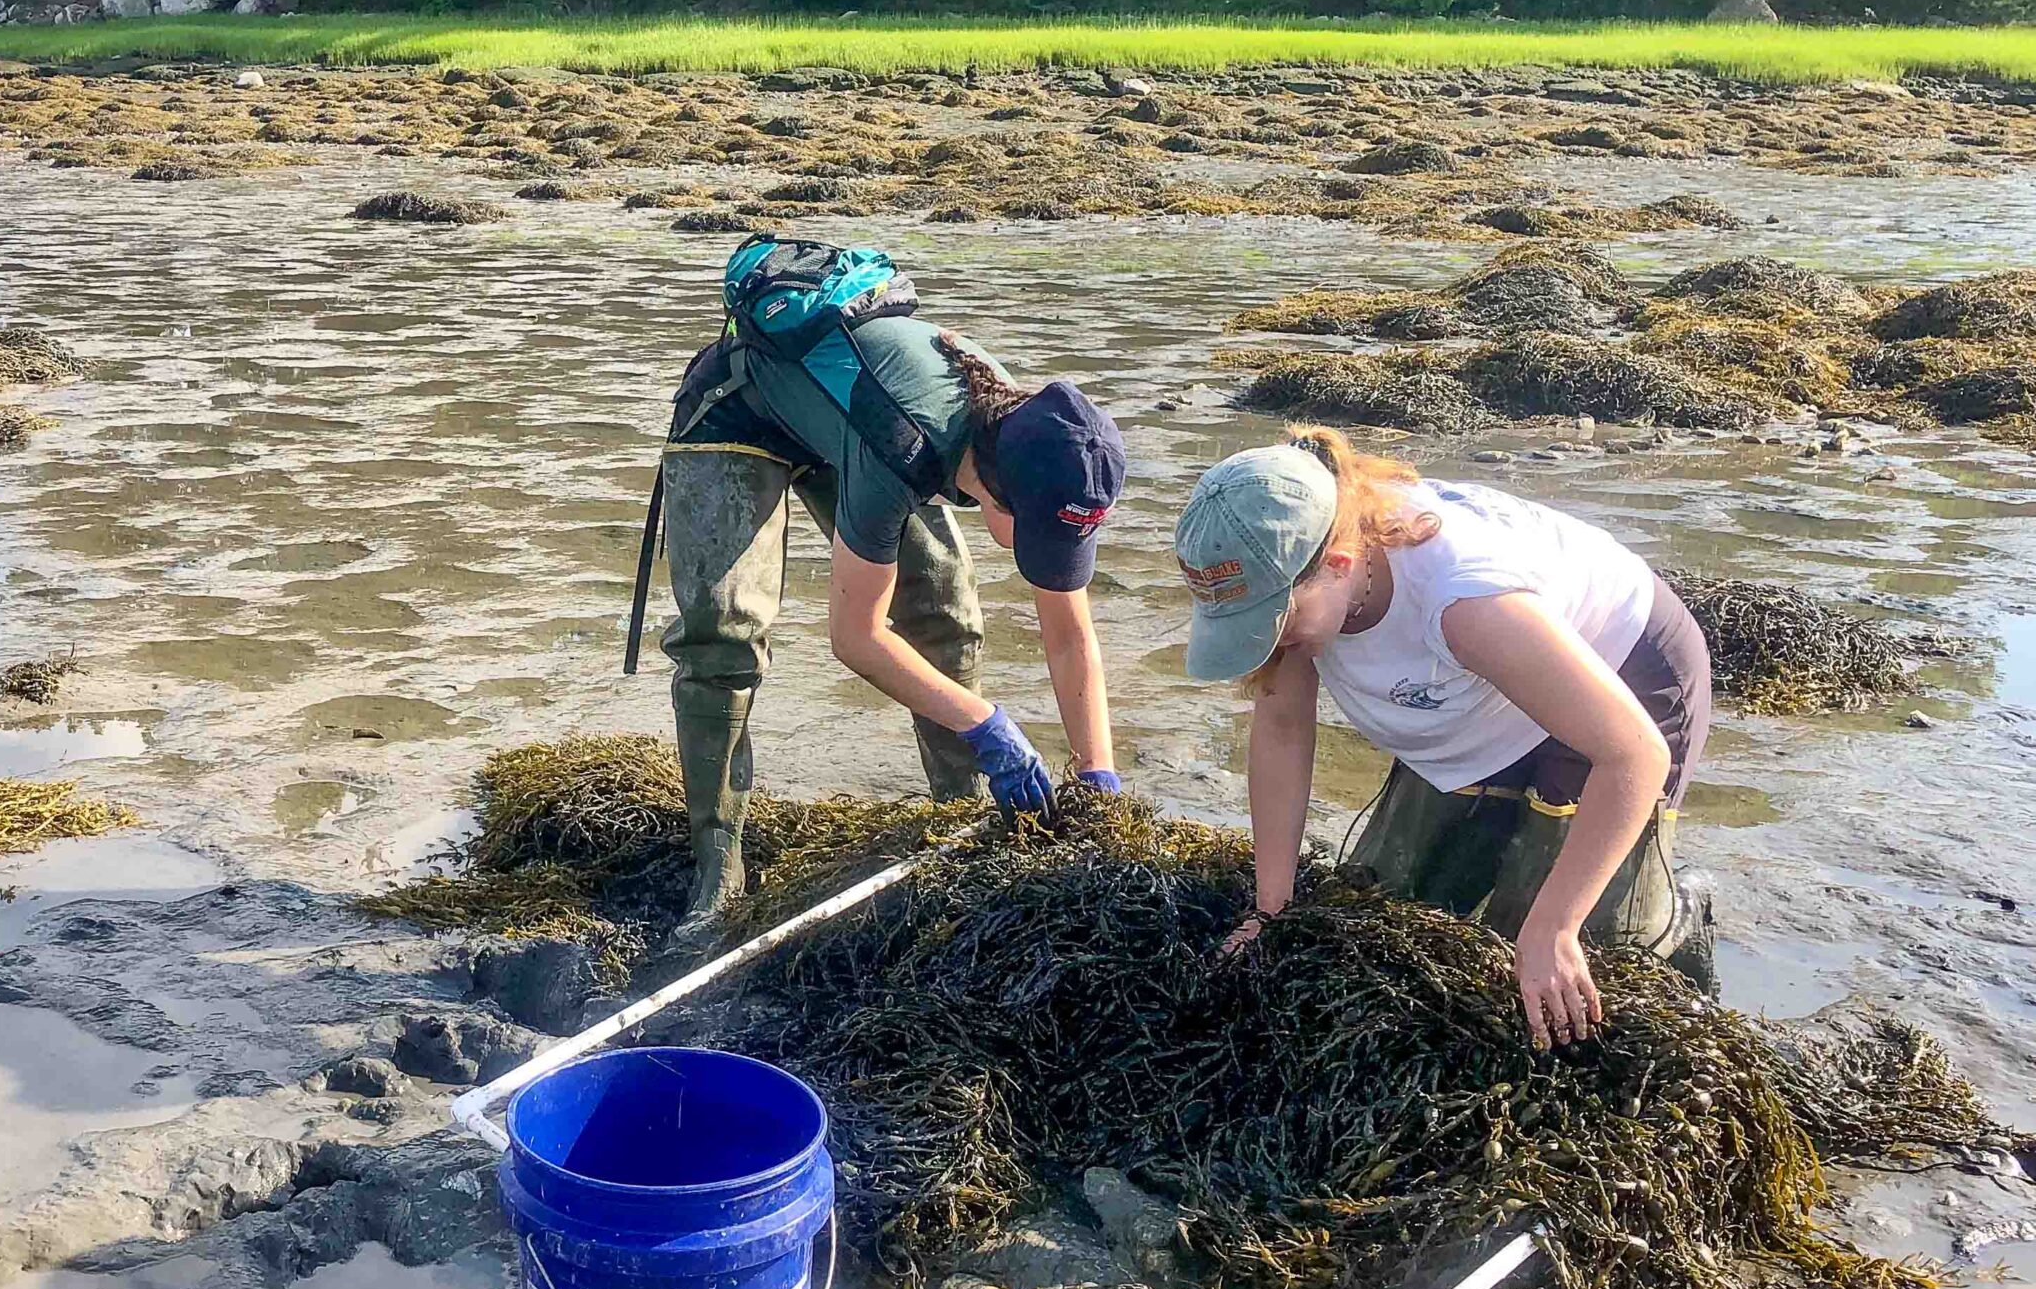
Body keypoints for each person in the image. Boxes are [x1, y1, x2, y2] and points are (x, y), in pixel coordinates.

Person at [1173, 427, 1714, 1049]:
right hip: (1469, 693)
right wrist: (1271, 907)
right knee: (1403, 909)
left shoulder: (1464, 599)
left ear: (1340, 565)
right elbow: (1282, 729)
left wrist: (1555, 929)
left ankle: (1677, 918)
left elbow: (1634, 754)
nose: (1261, 641)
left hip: (1619, 669)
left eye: (1272, 621)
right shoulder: (1301, 581)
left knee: (1564, 967)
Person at [656, 238, 1128, 944]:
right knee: (724, 636)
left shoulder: (1045, 438)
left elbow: (1070, 633)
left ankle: (963, 816)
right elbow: (855, 637)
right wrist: (986, 723)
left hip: (845, 421)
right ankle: (716, 867)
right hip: (738, 409)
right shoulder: (907, 444)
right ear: (995, 492)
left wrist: (1099, 776)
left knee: (945, 614)